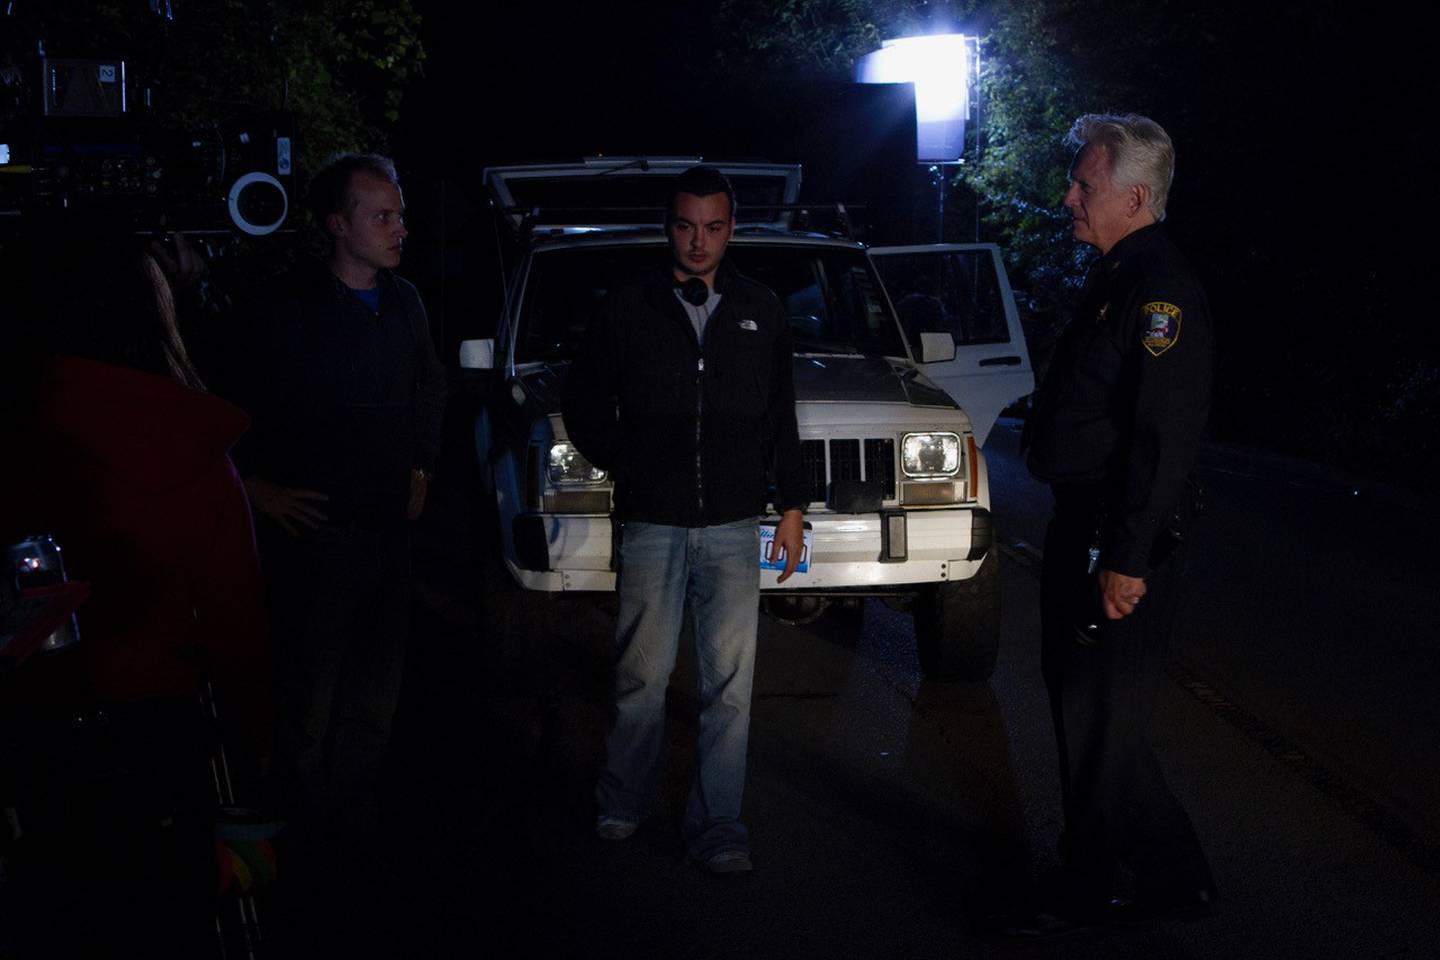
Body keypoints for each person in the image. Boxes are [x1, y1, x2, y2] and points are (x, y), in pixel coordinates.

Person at [0, 219, 271, 957]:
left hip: (34, 745)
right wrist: (257, 741)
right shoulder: (186, 449)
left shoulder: (22, 435)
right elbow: (235, 619)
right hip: (161, 744)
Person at [225, 153, 445, 947]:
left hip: (386, 542)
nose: (399, 230)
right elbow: (226, 401)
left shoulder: (407, 303)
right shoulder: (283, 310)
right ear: (337, 225)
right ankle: (293, 868)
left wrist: (421, 460)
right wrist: (253, 487)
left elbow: (430, 387)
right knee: (305, 714)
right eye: (382, 216)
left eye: (401, 214)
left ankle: (353, 863)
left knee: (371, 712)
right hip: (316, 546)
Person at [562, 166, 806, 875]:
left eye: (714, 227)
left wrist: (790, 507)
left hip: (734, 524)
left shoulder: (763, 307)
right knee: (641, 677)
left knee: (730, 685)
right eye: (685, 225)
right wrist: (629, 461)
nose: (698, 241)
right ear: (667, 225)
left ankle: (719, 824)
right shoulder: (627, 306)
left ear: (733, 228)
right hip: (653, 521)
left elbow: (780, 416)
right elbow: (583, 403)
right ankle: (624, 799)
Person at [1021, 113, 1217, 929]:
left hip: (1116, 536)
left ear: (1133, 197)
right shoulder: (1116, 277)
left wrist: (1126, 557)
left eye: (1084, 185)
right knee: (1090, 712)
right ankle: (1173, 877)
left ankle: (1093, 884)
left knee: (1098, 717)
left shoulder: (1158, 289)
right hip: (1088, 526)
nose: (1069, 196)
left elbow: (1159, 440)